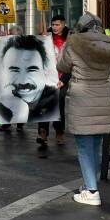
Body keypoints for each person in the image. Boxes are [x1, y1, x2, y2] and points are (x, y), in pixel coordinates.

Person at [57, 12, 110, 206]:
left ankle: (92, 191)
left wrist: (67, 44)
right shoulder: (108, 45)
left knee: (84, 147)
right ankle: (89, 185)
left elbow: (62, 65)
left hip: (83, 97)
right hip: (103, 95)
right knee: (95, 145)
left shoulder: (74, 44)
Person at [0, 35, 58, 125]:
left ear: (45, 70)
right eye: (14, 70)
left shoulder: (55, 102)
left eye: (32, 70)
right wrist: (19, 113)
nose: (23, 81)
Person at [37, 15, 70, 147]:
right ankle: (43, 132)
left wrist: (64, 79)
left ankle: (59, 132)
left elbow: (72, 61)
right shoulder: (46, 36)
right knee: (44, 104)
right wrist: (41, 40)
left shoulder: (70, 38)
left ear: (63, 24)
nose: (55, 27)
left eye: (57, 25)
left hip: (61, 77)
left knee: (59, 104)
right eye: (53, 25)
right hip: (47, 77)